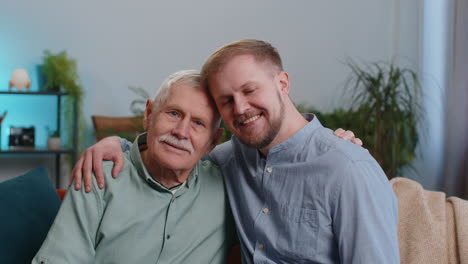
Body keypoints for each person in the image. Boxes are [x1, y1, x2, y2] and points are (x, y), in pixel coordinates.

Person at [72, 39, 399, 263]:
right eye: (226, 100)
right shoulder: (226, 159)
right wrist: (117, 144)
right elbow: (171, 156)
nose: (241, 108)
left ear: (282, 84)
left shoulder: (348, 169)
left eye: (249, 90)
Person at [32, 70, 237, 263]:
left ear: (213, 141)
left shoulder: (230, 189)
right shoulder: (96, 178)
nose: (181, 132)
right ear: (149, 114)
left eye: (198, 123)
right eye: (174, 113)